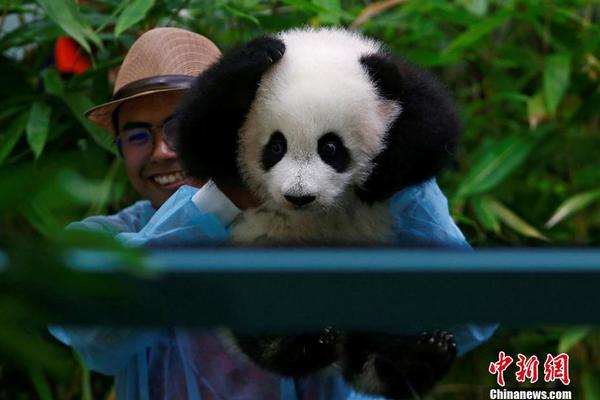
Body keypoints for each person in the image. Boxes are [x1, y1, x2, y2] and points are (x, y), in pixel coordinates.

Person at [50, 27, 497, 400]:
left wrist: (393, 177)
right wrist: (218, 202)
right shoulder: (100, 239)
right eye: (137, 135)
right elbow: (97, 335)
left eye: (179, 126)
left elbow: (473, 316)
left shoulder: (339, 215)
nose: (165, 150)